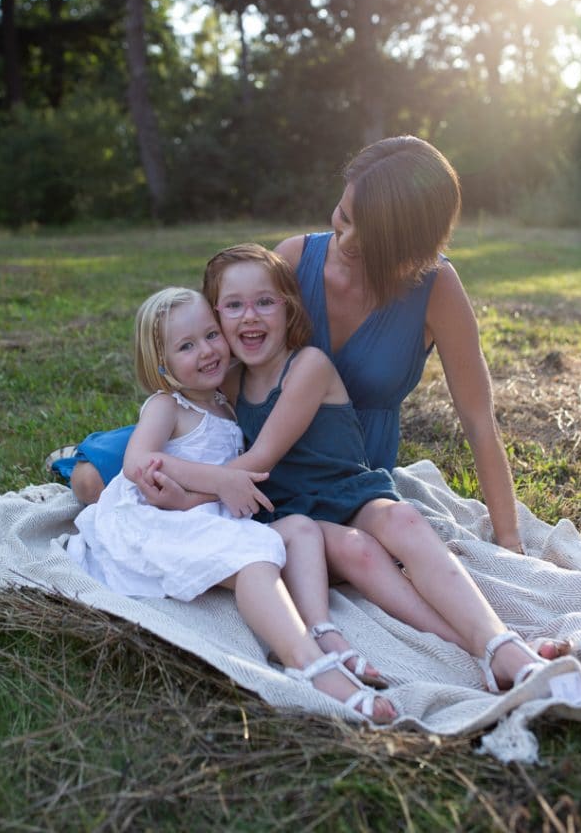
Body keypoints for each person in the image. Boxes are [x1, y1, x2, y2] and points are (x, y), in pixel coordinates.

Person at [136, 245, 573, 695]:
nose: (250, 317)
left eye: (264, 302)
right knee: (358, 551)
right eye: (233, 306)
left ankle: (498, 641)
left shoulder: (308, 366)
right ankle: (479, 647)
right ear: (217, 319)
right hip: (291, 512)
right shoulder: (228, 381)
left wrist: (192, 493)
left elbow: (258, 461)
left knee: (401, 517)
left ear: (288, 307)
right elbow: (176, 418)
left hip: (348, 491)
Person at [60, 136, 522, 555]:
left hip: (338, 462)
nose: (346, 240)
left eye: (372, 235)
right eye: (344, 216)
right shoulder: (297, 257)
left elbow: (479, 422)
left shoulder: (436, 287)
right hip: (244, 435)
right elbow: (228, 334)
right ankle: (84, 455)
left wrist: (510, 542)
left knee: (340, 550)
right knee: (91, 480)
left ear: (410, 243)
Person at [66, 286, 396, 722]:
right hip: (158, 521)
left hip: (212, 516)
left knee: (300, 529)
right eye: (186, 346)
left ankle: (322, 630)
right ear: (161, 364)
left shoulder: (226, 401)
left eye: (210, 335)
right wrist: (222, 481)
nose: (206, 351)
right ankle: (308, 665)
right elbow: (137, 462)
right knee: (255, 558)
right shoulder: (167, 405)